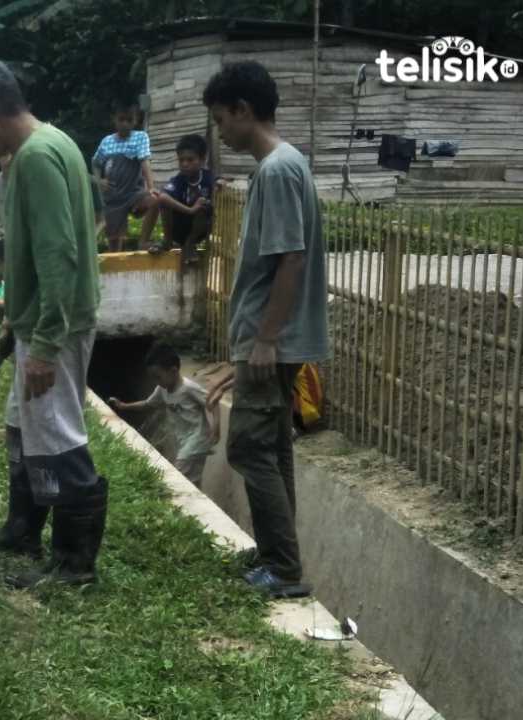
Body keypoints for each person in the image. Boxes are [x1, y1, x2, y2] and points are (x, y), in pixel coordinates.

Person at [0, 59, 104, 588]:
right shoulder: (52, 143)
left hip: (54, 326)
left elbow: (59, 254)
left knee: (58, 436)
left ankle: (74, 564)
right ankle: (23, 527)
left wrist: (44, 344)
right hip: (39, 319)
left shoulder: (37, 158)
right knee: (24, 427)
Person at [203, 61, 328, 599]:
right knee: (272, 448)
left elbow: (290, 260)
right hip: (274, 339)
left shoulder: (277, 170)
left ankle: (282, 566)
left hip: (269, 341)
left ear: (243, 110)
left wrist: (265, 338)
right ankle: (277, 553)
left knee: (250, 449)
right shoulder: (287, 163)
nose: (220, 132)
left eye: (221, 119)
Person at [107, 344, 218, 487]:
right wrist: (123, 406)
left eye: (158, 377)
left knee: (178, 477)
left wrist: (217, 427)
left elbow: (213, 402)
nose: (156, 382)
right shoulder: (162, 389)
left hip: (198, 439)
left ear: (173, 371)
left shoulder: (189, 388)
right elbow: (148, 404)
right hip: (184, 439)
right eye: (153, 378)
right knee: (192, 482)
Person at [91, 99, 160, 252]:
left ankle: (143, 241)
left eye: (129, 120)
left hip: (134, 194)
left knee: (156, 201)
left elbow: (145, 163)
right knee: (114, 244)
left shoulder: (140, 137)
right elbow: (95, 163)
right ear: (114, 120)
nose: (125, 124)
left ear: (135, 121)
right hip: (113, 198)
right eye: (121, 120)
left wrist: (151, 187)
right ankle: (114, 268)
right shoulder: (107, 142)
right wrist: (98, 180)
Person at [149, 134, 214, 262]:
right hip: (178, 229)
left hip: (199, 231)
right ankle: (167, 241)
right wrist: (190, 210)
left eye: (190, 160)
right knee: (162, 201)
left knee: (204, 206)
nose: (185, 164)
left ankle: (190, 244)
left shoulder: (208, 178)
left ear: (202, 160)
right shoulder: (179, 180)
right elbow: (162, 197)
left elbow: (218, 184)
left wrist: (220, 184)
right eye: (181, 160)